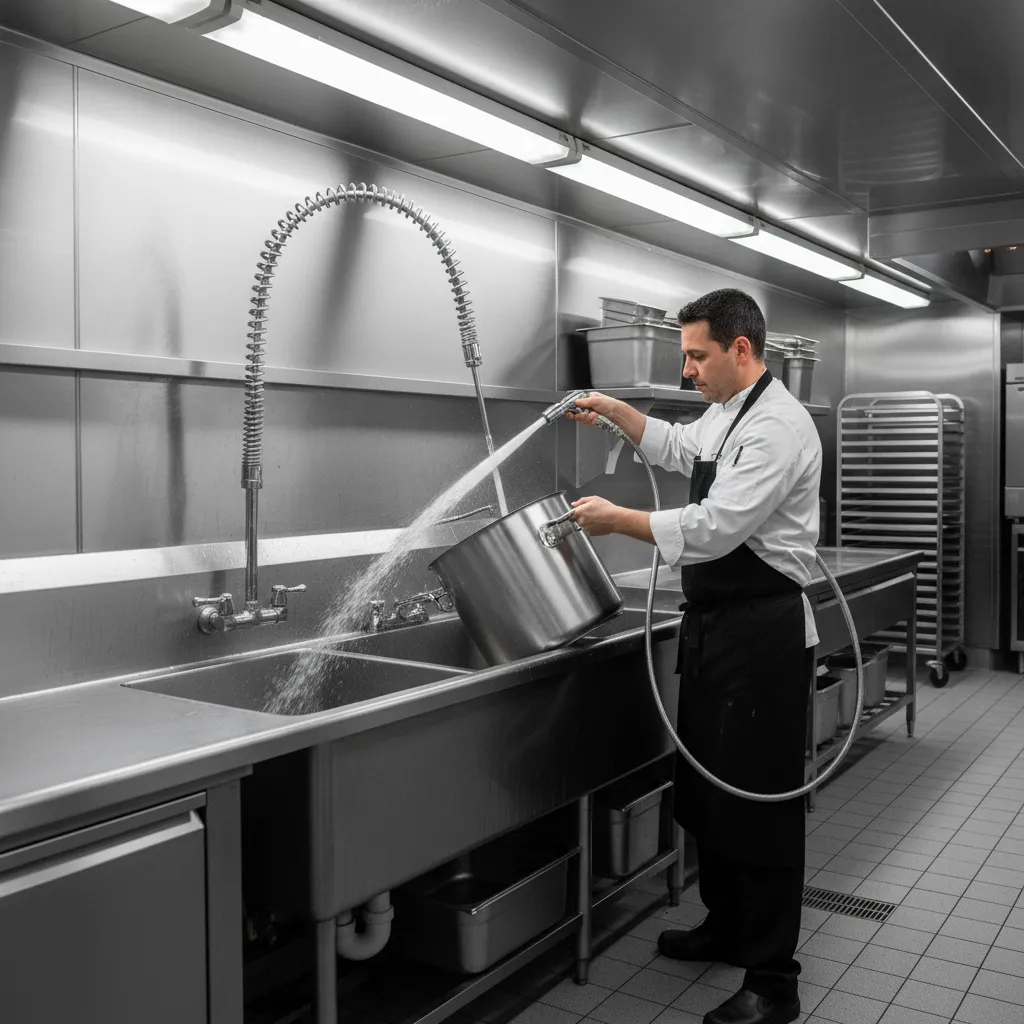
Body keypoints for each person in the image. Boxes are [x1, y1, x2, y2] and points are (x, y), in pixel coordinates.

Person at [568, 288, 821, 1024]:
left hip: (764, 637)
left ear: (741, 348)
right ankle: (728, 926)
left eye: (696, 356)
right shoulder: (726, 411)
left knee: (761, 806)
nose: (687, 371)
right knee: (711, 791)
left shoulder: (779, 426)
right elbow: (678, 447)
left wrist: (619, 519)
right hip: (717, 628)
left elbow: (716, 526)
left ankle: (773, 980)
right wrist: (615, 411)